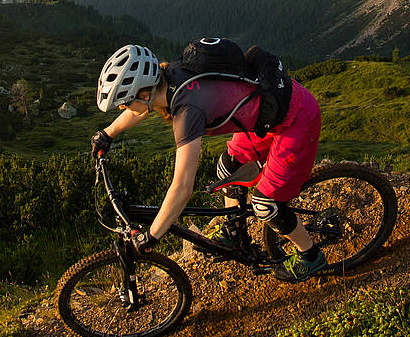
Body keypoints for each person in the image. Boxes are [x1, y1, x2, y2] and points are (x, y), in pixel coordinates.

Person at [90, 43, 328, 282]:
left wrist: (152, 236)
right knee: (227, 169)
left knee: (266, 204)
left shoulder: (187, 110)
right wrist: (107, 134)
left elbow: (183, 186)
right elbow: (138, 110)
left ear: (144, 94)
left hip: (295, 119)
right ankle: (235, 233)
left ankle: (310, 256)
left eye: (125, 102)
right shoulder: (169, 75)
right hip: (264, 115)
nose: (123, 108)